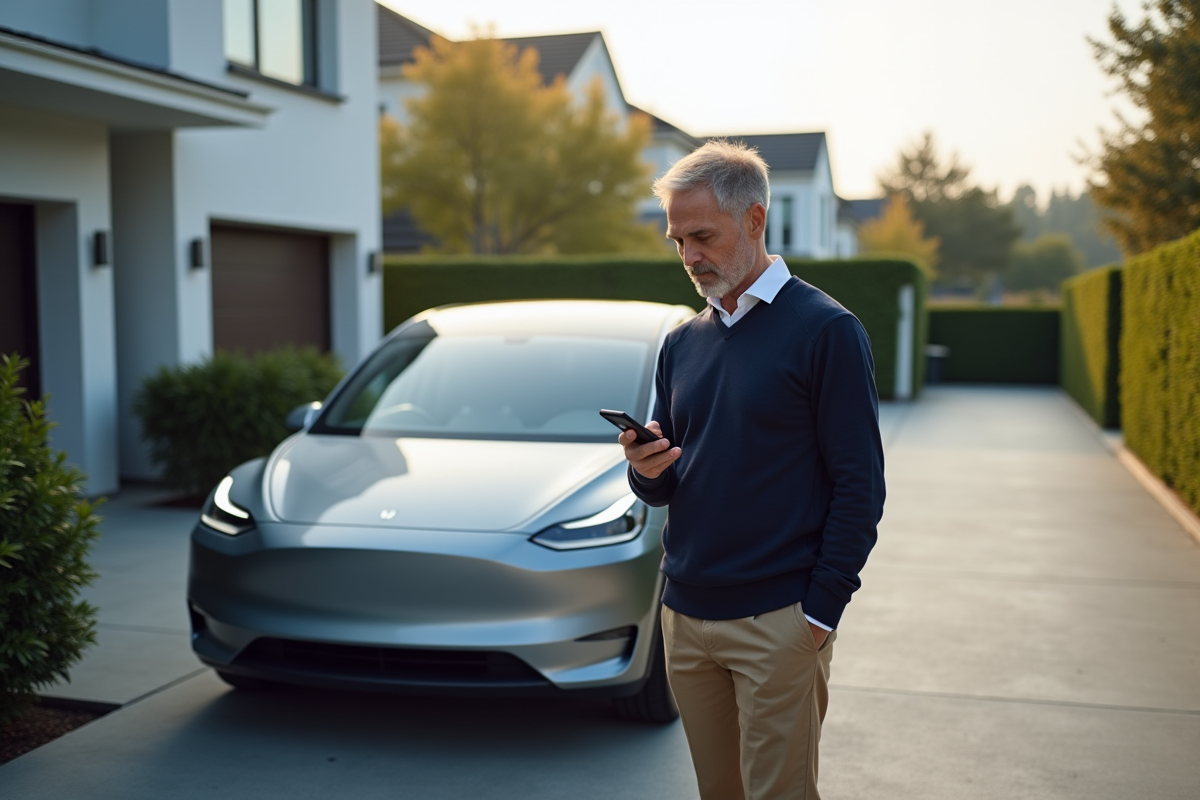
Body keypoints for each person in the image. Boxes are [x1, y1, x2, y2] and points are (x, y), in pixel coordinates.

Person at [621, 140, 885, 800]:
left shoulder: (826, 330)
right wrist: (644, 468)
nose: (688, 257)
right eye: (677, 240)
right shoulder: (683, 341)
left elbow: (861, 484)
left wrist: (820, 611)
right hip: (685, 616)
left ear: (756, 220)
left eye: (702, 236)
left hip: (779, 619)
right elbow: (670, 476)